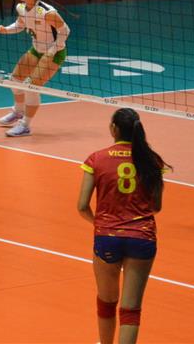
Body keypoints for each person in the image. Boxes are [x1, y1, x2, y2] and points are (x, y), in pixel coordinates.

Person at [77, 108, 167, 344]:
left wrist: (100, 223)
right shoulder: (152, 161)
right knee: (131, 309)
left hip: (107, 236)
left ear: (114, 129)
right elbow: (156, 206)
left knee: (106, 301)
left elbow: (82, 206)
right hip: (142, 237)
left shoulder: (96, 159)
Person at [0, 0, 70, 137]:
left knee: (31, 87)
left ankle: (25, 126)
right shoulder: (21, 7)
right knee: (15, 79)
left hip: (54, 52)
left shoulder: (47, 12)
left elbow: (65, 31)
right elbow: (20, 25)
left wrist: (53, 49)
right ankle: (18, 111)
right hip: (36, 49)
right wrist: (5, 29)